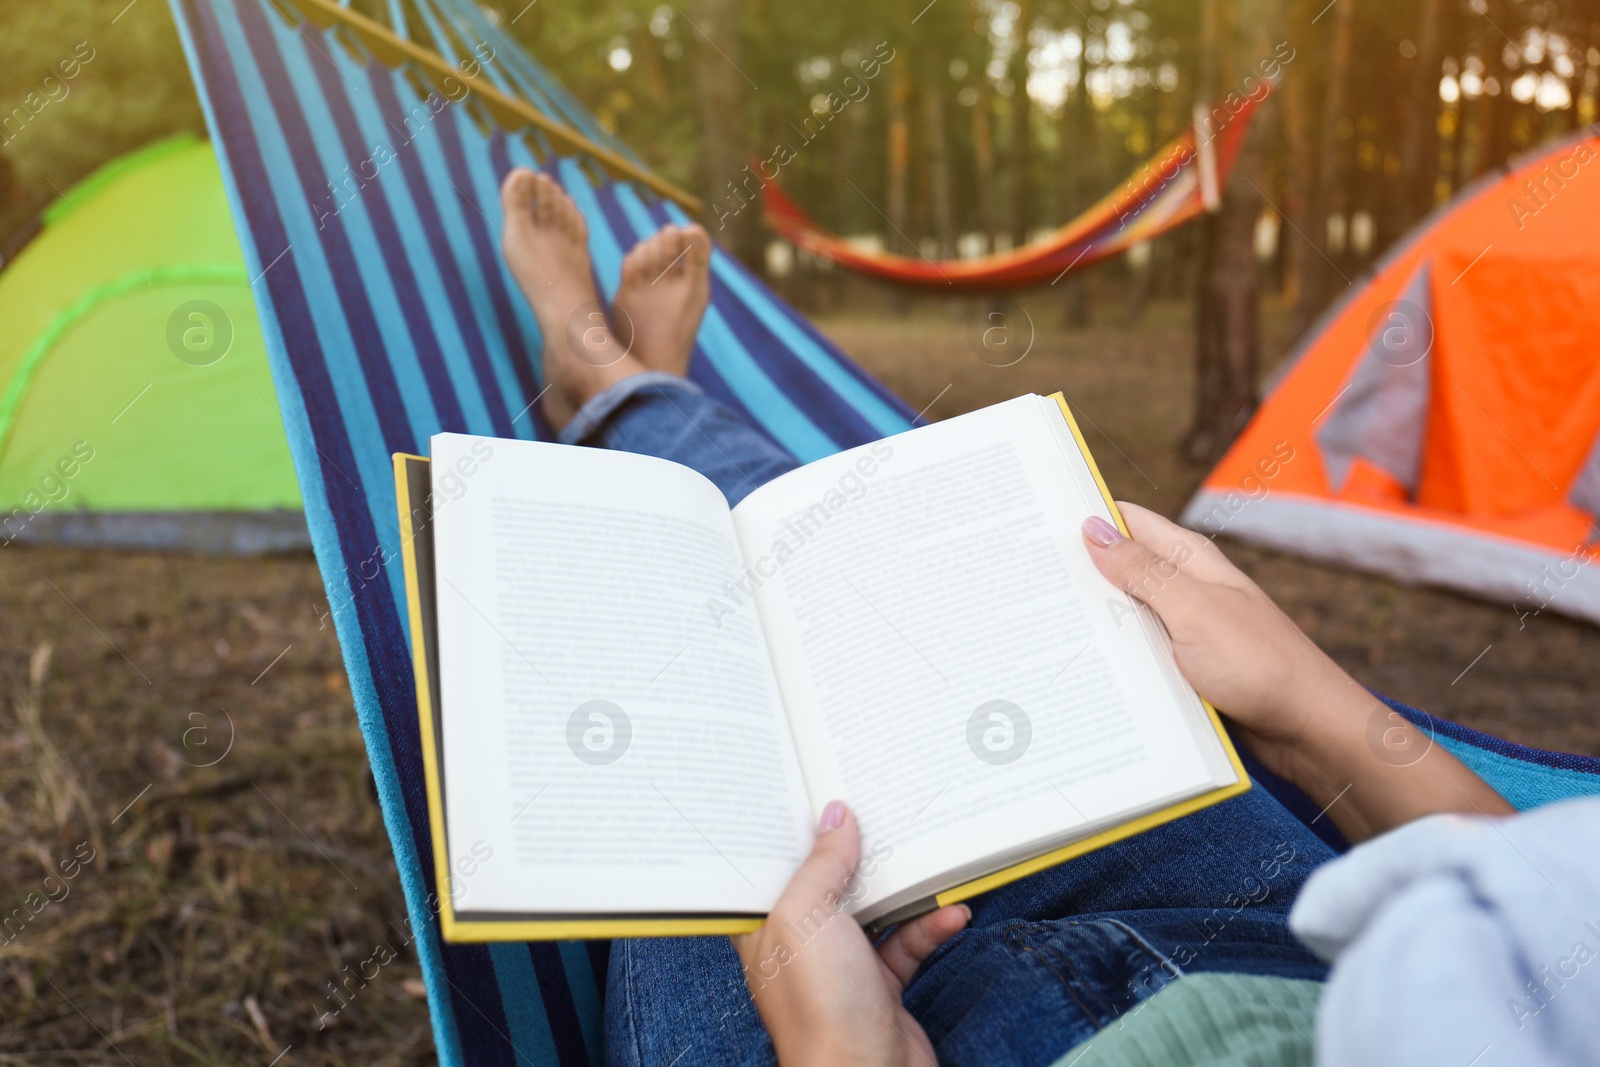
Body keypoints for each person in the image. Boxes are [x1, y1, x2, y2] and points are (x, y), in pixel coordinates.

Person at [497, 169, 1600, 1067]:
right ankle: (627, 391)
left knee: (706, 671)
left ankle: (611, 383)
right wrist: (1309, 706)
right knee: (828, 572)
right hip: (1292, 941)